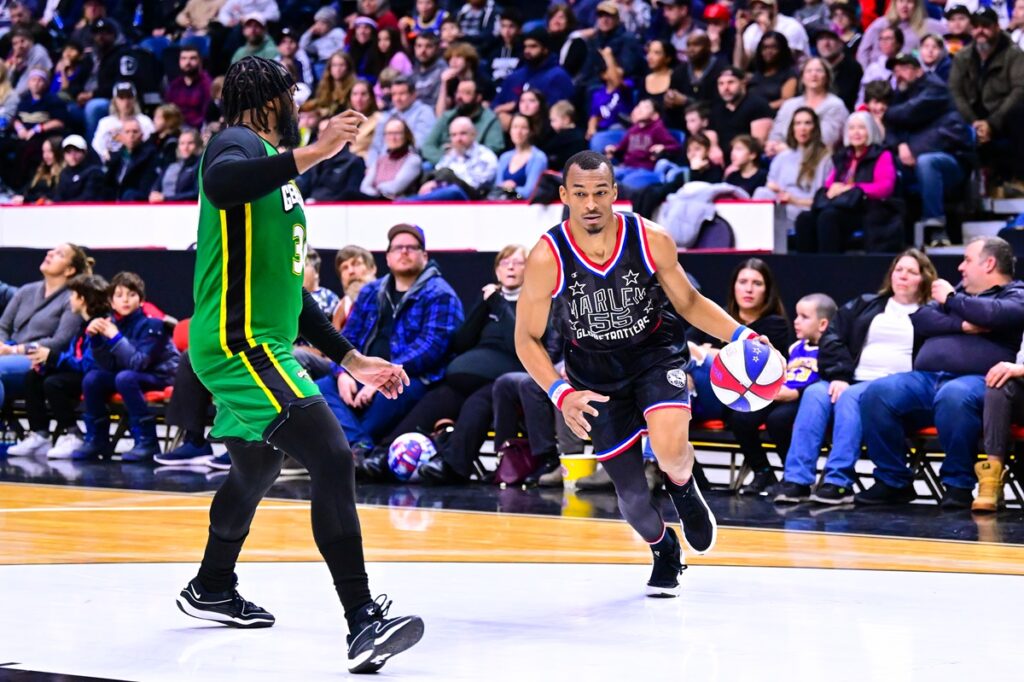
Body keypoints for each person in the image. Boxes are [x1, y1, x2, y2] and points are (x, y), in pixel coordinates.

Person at [177, 56, 423, 673]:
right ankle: (362, 621)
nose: (300, 106)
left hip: (261, 341)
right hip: (240, 343)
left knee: (256, 467)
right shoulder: (234, 143)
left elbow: (291, 291)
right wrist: (314, 151)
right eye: (293, 94)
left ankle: (212, 584)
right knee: (332, 455)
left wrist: (351, 357)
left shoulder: (275, 170)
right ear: (269, 99)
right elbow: (222, 184)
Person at [515, 149, 779, 598]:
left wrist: (742, 335)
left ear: (615, 193)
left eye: (601, 192)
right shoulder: (547, 256)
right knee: (633, 500)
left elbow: (689, 302)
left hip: (655, 354)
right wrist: (561, 392)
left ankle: (683, 487)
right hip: (595, 376)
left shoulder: (650, 237)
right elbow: (526, 339)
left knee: (672, 451)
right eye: (580, 193)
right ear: (564, 196)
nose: (591, 203)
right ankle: (663, 547)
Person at [858, 237, 1024, 509]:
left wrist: (951, 301)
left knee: (954, 395)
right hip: (927, 379)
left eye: (967, 260)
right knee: (877, 392)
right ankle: (893, 480)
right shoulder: (960, 292)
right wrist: (964, 324)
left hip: (979, 381)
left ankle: (958, 484)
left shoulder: (1015, 294)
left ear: (989, 263)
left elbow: (994, 315)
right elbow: (922, 318)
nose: (960, 267)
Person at [773, 249, 936, 505]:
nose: (903, 276)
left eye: (911, 272)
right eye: (899, 269)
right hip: (852, 378)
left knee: (850, 397)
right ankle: (797, 480)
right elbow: (832, 335)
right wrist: (839, 374)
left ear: (924, 278)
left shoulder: (931, 313)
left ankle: (838, 482)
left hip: (894, 389)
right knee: (815, 393)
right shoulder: (866, 304)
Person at [363, 245, 527, 482]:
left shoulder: (531, 304)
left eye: (518, 263)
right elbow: (461, 343)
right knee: (433, 402)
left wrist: (499, 305)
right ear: (497, 270)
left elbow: (521, 345)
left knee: (476, 404)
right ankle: (383, 454)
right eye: (505, 262)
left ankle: (451, 464)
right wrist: (483, 306)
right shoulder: (489, 302)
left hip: (502, 380)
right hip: (463, 377)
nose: (510, 267)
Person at [318, 224, 463, 455]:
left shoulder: (441, 294)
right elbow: (347, 337)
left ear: (424, 256)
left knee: (381, 405)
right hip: (362, 373)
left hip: (409, 377)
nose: (404, 252)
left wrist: (382, 376)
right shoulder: (370, 292)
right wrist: (343, 372)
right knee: (319, 389)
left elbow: (431, 348)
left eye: (411, 247)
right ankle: (360, 447)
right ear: (387, 257)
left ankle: (356, 446)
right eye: (397, 248)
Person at [732, 293, 837, 496]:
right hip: (782, 394)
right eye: (796, 316)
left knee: (778, 421)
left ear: (823, 324)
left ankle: (792, 475)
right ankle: (762, 471)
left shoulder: (831, 349)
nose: (796, 321)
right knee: (741, 416)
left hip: (803, 399)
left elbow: (828, 380)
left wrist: (797, 393)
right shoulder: (795, 347)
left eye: (804, 317)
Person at [71, 271, 179, 462]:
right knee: (93, 378)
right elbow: (108, 364)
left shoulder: (153, 324)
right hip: (132, 375)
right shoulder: (112, 323)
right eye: (119, 295)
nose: (125, 300)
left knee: (125, 378)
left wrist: (116, 337)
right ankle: (97, 438)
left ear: (141, 300)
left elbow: (139, 363)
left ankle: (147, 440)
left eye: (131, 294)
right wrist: (95, 339)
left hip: (161, 375)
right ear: (112, 303)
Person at [6, 274, 111, 459]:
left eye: (73, 295)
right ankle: (40, 434)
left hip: (96, 377)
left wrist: (53, 358)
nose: (69, 299)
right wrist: (46, 363)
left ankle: (73, 434)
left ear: (82, 299)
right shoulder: (81, 325)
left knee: (54, 383)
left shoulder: (99, 325)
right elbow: (72, 355)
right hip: (81, 372)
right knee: (34, 377)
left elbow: (88, 364)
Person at [884, 52, 972, 247]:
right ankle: (889, 233)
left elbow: (910, 114)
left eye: (904, 68)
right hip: (913, 159)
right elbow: (890, 131)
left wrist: (913, 150)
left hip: (951, 160)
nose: (899, 74)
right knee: (884, 163)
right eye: (896, 71)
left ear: (919, 71)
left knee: (927, 162)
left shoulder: (935, 88)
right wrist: (900, 145)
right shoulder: (900, 96)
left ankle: (936, 227)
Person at [0, 243, 92, 410]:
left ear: (69, 270)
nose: (50, 253)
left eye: (59, 254)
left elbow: (60, 342)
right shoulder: (26, 291)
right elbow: (3, 326)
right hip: (7, 353)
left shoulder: (72, 299)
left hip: (39, 360)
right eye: (52, 251)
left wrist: (15, 350)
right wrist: (2, 345)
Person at [949, 7, 1024, 195]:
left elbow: (1019, 90)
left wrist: (991, 123)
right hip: (973, 116)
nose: (980, 31)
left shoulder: (1013, 54)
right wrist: (974, 122)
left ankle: (1017, 179)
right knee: (947, 116)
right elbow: (955, 91)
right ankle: (961, 190)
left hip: (1002, 115)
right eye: (976, 26)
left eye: (986, 26)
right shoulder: (963, 56)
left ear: (997, 27)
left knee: (1019, 112)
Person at [754, 107, 833, 249]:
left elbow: (822, 201)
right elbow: (770, 186)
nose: (802, 128)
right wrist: (776, 190)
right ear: (792, 128)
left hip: (804, 210)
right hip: (782, 208)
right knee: (761, 192)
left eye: (807, 123)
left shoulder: (825, 159)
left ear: (815, 128)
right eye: (798, 123)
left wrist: (794, 200)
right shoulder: (783, 157)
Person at [492, 28, 574, 128]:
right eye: (526, 46)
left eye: (533, 46)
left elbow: (556, 113)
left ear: (545, 49)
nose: (527, 51)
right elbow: (496, 104)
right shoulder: (515, 76)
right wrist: (501, 113)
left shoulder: (558, 76)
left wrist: (515, 118)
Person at [768, 57, 850, 155]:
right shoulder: (789, 105)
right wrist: (773, 145)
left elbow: (826, 140)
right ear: (802, 78)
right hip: (783, 156)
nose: (813, 74)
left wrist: (789, 150)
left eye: (819, 71)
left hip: (820, 157)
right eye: (809, 71)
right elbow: (775, 136)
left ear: (827, 77)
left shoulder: (835, 105)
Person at [406, 116, 497, 200]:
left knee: (452, 187)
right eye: (454, 135)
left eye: (463, 133)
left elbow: (474, 190)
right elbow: (438, 174)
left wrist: (446, 178)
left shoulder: (485, 156)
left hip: (473, 202)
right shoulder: (450, 155)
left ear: (473, 134)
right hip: (445, 199)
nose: (458, 139)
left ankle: (405, 204)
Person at [604, 99, 682, 197]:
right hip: (627, 167)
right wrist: (613, 149)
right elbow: (621, 147)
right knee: (604, 175)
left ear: (655, 115)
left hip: (645, 169)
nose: (640, 109)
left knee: (628, 182)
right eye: (639, 106)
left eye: (645, 107)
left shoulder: (657, 128)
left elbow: (675, 147)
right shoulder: (633, 129)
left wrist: (663, 147)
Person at [421, 77, 504, 164]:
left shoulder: (490, 119)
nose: (459, 97)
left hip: (475, 165)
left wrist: (461, 152)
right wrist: (447, 160)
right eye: (458, 92)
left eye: (466, 93)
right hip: (444, 163)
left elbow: (494, 148)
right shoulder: (447, 116)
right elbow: (427, 145)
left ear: (478, 97)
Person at [857, 0, 946, 69]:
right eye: (900, 1)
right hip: (877, 78)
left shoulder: (929, 25)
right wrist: (866, 73)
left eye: (909, 2)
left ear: (916, 5)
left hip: (912, 77)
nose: (904, 6)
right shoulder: (880, 24)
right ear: (894, 4)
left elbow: (951, 39)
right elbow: (863, 51)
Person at [368, 75, 436, 160]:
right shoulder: (387, 116)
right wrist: (372, 165)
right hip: (382, 162)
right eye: (394, 94)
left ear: (413, 95)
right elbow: (375, 147)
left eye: (402, 94)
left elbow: (419, 145)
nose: (397, 98)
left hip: (407, 161)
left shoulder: (425, 112)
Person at [709, 66, 774, 151]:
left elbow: (757, 144)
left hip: (747, 155)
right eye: (721, 83)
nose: (725, 88)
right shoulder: (717, 107)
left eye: (731, 82)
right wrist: (714, 148)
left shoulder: (758, 105)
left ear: (743, 83)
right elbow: (710, 132)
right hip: (721, 156)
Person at [91, 82, 155, 163]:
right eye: (121, 98)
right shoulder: (105, 123)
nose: (126, 102)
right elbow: (97, 145)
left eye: (129, 97)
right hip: (110, 163)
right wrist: (105, 154)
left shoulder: (145, 121)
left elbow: (150, 145)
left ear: (134, 99)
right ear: (115, 101)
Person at [359, 117, 422, 199]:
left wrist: (376, 188)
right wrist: (376, 193)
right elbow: (364, 187)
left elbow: (395, 188)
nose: (393, 138)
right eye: (389, 133)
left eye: (397, 133)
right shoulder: (380, 160)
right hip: (375, 202)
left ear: (406, 136)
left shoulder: (413, 160)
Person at [735, 0, 810, 69]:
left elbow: (782, 63)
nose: (757, 12)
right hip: (767, 75)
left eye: (762, 7)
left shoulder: (791, 26)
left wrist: (767, 32)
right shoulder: (752, 30)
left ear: (774, 8)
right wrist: (739, 34)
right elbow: (739, 66)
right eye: (754, 8)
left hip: (797, 73)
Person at [494, 113, 549, 199]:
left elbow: (530, 192)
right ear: (510, 131)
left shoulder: (538, 158)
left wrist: (510, 189)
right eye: (515, 127)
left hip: (525, 205)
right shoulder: (504, 157)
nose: (518, 132)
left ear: (531, 131)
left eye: (523, 128)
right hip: (502, 205)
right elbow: (496, 188)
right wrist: (506, 188)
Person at [105, 118, 160, 202]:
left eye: (135, 132)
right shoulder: (116, 156)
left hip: (136, 200)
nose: (131, 135)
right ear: (121, 136)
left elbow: (146, 186)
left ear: (141, 136)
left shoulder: (149, 155)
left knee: (130, 194)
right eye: (127, 132)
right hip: (115, 199)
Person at [814, 25, 863, 111]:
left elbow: (846, 100)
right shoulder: (813, 67)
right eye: (821, 38)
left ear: (840, 42)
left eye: (831, 38)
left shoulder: (852, 68)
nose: (826, 44)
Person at [747, 31, 798, 111]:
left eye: (773, 47)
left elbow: (786, 101)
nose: (768, 51)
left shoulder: (789, 73)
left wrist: (760, 109)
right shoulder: (756, 73)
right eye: (765, 47)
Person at [164, 46, 212, 129]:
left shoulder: (207, 84)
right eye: (184, 58)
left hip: (198, 129)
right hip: (175, 128)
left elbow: (207, 115)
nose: (187, 62)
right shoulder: (175, 85)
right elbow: (168, 109)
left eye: (192, 58)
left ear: (200, 61)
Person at [149, 128, 202, 203]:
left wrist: (166, 198)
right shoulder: (171, 165)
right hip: (163, 206)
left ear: (198, 145)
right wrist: (154, 194)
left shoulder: (200, 165)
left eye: (190, 143)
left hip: (186, 207)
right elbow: (155, 187)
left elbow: (197, 193)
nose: (185, 147)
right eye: (182, 143)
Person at [332, 246, 378, 331]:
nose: (351, 271)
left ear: (372, 269)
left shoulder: (387, 296)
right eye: (344, 268)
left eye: (356, 264)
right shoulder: (342, 307)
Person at [10, 135, 63, 204]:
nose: (45, 156)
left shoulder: (64, 174)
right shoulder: (41, 171)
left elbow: (53, 195)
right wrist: (19, 196)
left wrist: (27, 199)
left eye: (50, 151)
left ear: (58, 152)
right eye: (44, 151)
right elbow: (28, 189)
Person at [52, 134, 105, 202]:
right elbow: (58, 197)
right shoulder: (64, 173)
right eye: (68, 151)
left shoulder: (94, 172)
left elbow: (88, 197)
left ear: (84, 152)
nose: (72, 155)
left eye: (76, 150)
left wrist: (66, 205)